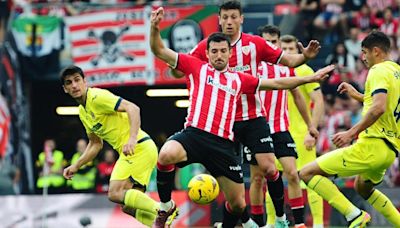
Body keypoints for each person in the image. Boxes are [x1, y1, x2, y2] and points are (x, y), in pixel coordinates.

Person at [150, 6, 334, 228]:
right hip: (196, 134)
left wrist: (309, 75)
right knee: (166, 154)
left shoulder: (240, 78)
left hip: (226, 140)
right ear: (206, 53)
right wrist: (154, 28)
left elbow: (277, 83)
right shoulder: (197, 66)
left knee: (240, 201)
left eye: (223, 51)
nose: (219, 55)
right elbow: (160, 50)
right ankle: (165, 207)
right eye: (214, 51)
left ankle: (268, 221)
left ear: (230, 53)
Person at [299, 31, 400, 227]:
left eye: (365, 52)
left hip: (372, 145)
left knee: (306, 173)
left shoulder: (378, 71)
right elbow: (386, 103)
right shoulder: (396, 71)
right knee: (362, 188)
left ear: (376, 51)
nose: (363, 58)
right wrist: (360, 96)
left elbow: (379, 108)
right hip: (389, 151)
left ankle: (354, 215)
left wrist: (350, 133)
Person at [61, 65, 159, 227]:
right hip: (140, 150)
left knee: (114, 193)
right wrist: (76, 165)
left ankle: (161, 210)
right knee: (128, 206)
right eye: (69, 83)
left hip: (138, 147)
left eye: (77, 80)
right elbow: (95, 144)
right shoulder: (82, 112)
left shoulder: (97, 97)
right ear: (65, 89)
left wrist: (132, 139)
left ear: (85, 82)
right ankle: (161, 224)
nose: (74, 85)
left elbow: (132, 108)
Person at [256, 26, 319, 228]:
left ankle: (306, 223)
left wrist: (311, 126)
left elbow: (304, 98)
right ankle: (268, 222)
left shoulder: (291, 67)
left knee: (296, 175)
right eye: (267, 41)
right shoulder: (252, 67)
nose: (271, 45)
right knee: (264, 178)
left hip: (286, 130)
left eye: (274, 42)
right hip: (258, 129)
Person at [280, 34, 325, 228]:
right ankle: (273, 222)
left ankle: (318, 224)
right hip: (279, 133)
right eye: (284, 49)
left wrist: (310, 131)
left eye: (292, 49)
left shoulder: (305, 69)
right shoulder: (276, 70)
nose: (288, 53)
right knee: (273, 180)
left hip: (300, 135)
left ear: (298, 51)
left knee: (311, 180)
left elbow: (319, 101)